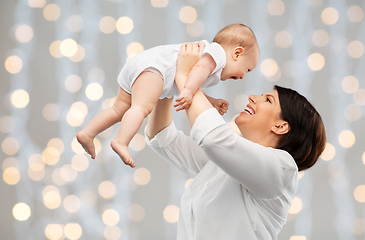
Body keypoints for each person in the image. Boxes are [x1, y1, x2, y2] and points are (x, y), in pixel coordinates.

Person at [145, 43, 326, 239]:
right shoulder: (223, 166)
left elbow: (213, 138)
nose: (253, 98)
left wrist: (185, 76)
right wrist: (169, 80)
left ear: (281, 126)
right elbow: (162, 138)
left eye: (268, 100)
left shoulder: (282, 169)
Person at [76, 24, 259, 168]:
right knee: (141, 108)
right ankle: (121, 141)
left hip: (142, 65)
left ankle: (87, 133)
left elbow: (189, 81)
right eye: (247, 69)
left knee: (118, 109)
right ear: (237, 53)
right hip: (156, 69)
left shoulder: (212, 61)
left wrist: (211, 102)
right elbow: (197, 72)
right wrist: (186, 91)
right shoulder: (218, 54)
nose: (243, 76)